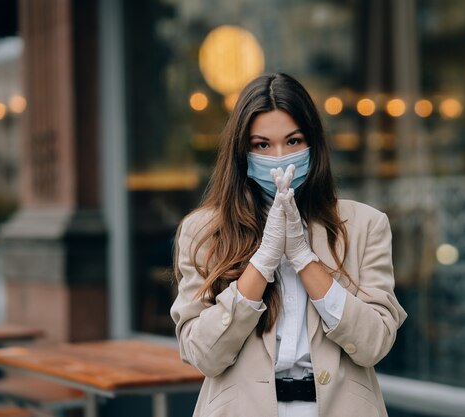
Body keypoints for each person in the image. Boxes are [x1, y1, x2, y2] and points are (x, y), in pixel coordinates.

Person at [171, 72, 407, 417]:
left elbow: (374, 344)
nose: (279, 156)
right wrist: (263, 263)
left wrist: (303, 258)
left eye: (293, 141)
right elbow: (203, 354)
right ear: (242, 152)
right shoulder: (203, 231)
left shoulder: (365, 226)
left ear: (313, 143)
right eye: (262, 145)